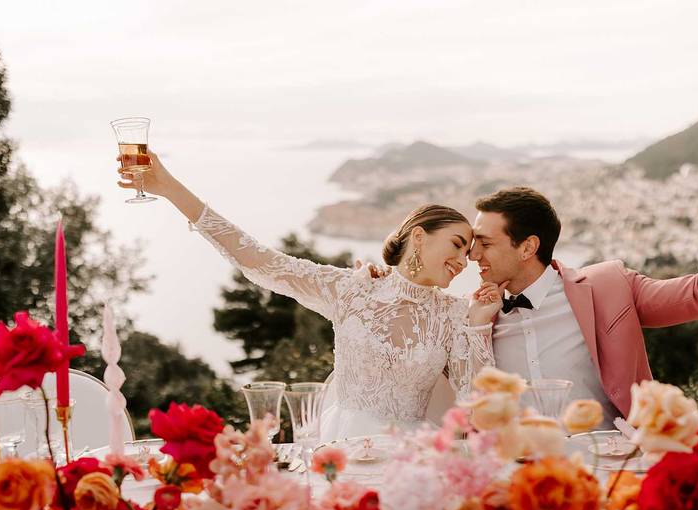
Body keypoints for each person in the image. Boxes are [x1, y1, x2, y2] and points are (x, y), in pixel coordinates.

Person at [117, 152, 505, 441]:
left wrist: (478, 324)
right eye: (456, 245)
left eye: (467, 254)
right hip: (338, 444)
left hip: (408, 456)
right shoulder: (353, 289)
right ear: (419, 235)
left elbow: (479, 408)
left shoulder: (455, 315)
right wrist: (169, 189)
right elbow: (258, 260)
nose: (461, 261)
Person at [468, 168, 698, 426]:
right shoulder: (477, 316)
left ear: (527, 247)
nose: (473, 254)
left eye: (484, 243)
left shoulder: (609, 286)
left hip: (610, 465)